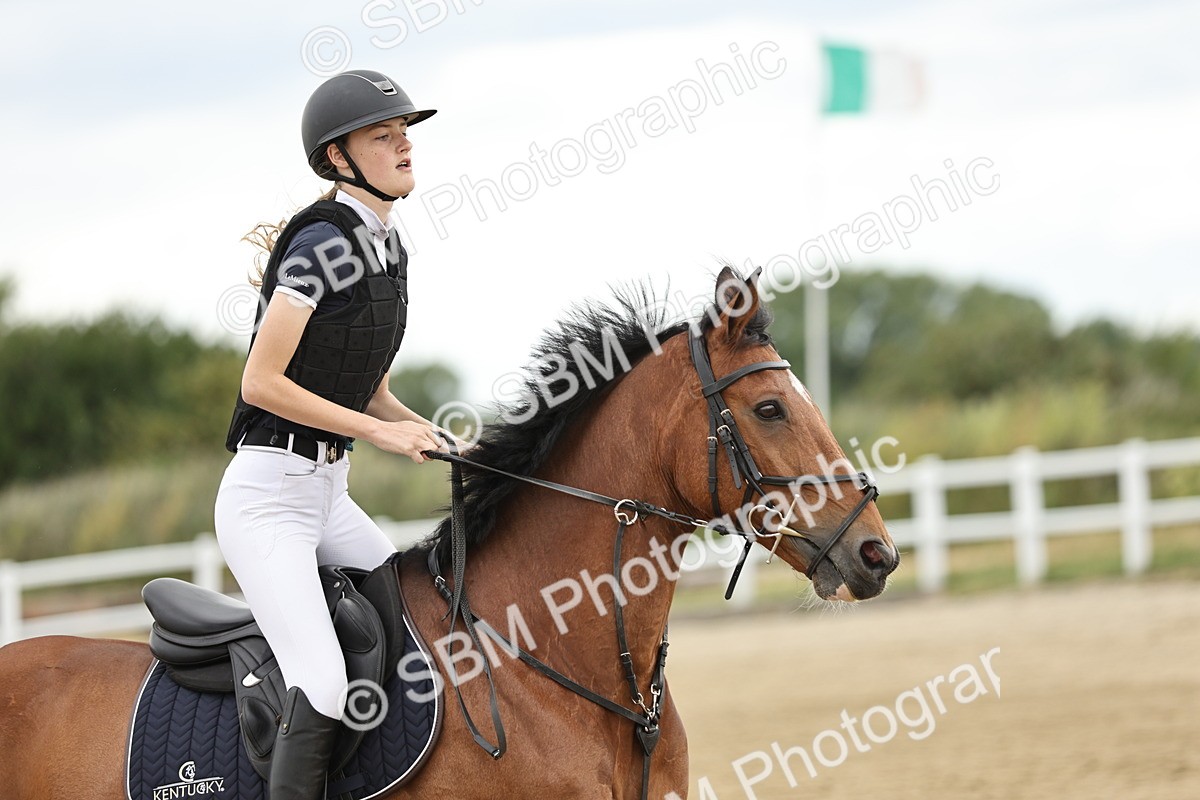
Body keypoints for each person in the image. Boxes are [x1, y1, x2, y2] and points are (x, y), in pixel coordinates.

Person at [215, 69, 445, 800]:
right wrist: (379, 438)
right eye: (384, 136)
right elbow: (262, 383)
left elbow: (368, 390)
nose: (404, 144)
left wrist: (426, 432)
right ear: (339, 159)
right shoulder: (321, 242)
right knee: (321, 680)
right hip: (268, 500)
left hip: (327, 495)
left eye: (405, 132)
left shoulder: (389, 246)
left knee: (410, 616)